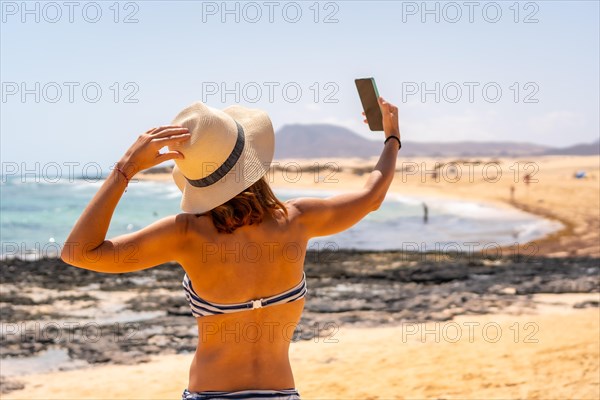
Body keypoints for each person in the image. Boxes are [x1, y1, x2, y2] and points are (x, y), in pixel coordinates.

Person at [61, 96, 400, 400]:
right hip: (280, 394)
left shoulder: (185, 235)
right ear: (250, 159)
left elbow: (79, 252)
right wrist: (392, 137)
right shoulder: (298, 220)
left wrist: (126, 168)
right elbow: (372, 196)